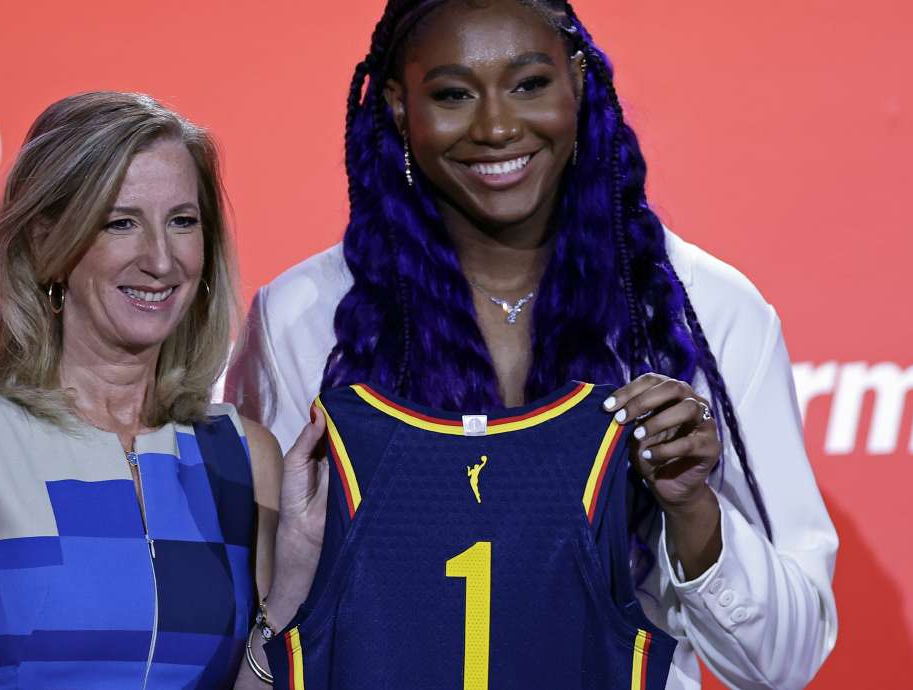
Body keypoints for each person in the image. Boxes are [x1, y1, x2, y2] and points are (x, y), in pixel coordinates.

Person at [226, 1, 838, 688]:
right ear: (399, 106)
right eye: (453, 94)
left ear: (578, 80)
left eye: (529, 84)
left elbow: (785, 662)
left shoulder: (707, 312)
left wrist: (692, 512)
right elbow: (266, 622)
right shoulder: (304, 317)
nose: (495, 127)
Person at [0, 91, 323, 690]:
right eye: (120, 222)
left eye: (182, 221)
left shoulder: (243, 456)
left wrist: (292, 582)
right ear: (48, 243)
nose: (160, 259)